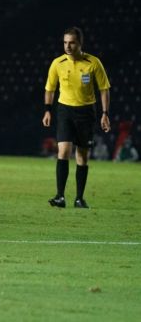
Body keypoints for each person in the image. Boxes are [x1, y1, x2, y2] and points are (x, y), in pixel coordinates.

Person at [42, 26, 111, 209]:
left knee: (82, 155)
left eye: (72, 42)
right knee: (63, 151)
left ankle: (79, 198)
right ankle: (60, 196)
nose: (68, 46)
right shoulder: (58, 63)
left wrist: (105, 114)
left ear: (80, 43)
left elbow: (104, 89)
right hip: (65, 110)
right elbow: (50, 88)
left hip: (86, 112)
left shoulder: (93, 62)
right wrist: (47, 110)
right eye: (65, 42)